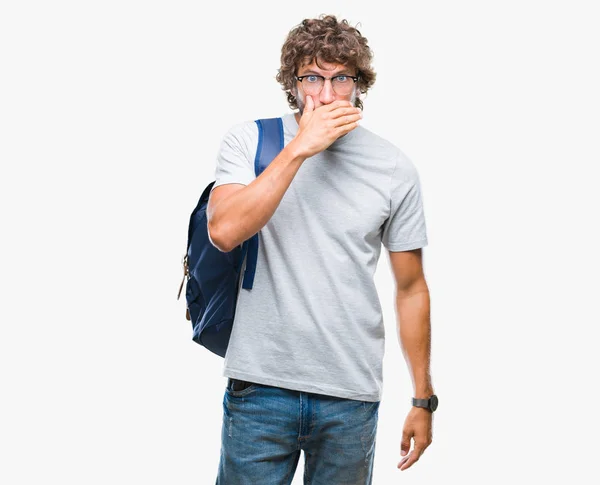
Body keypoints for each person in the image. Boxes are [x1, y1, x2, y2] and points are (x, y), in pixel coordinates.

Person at [207, 14, 436, 484]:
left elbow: (411, 288)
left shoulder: (394, 168)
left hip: (350, 394)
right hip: (261, 389)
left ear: (360, 85)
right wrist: (298, 149)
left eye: (341, 79)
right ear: (293, 83)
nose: (327, 94)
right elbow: (224, 231)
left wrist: (422, 398)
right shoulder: (250, 140)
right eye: (312, 78)